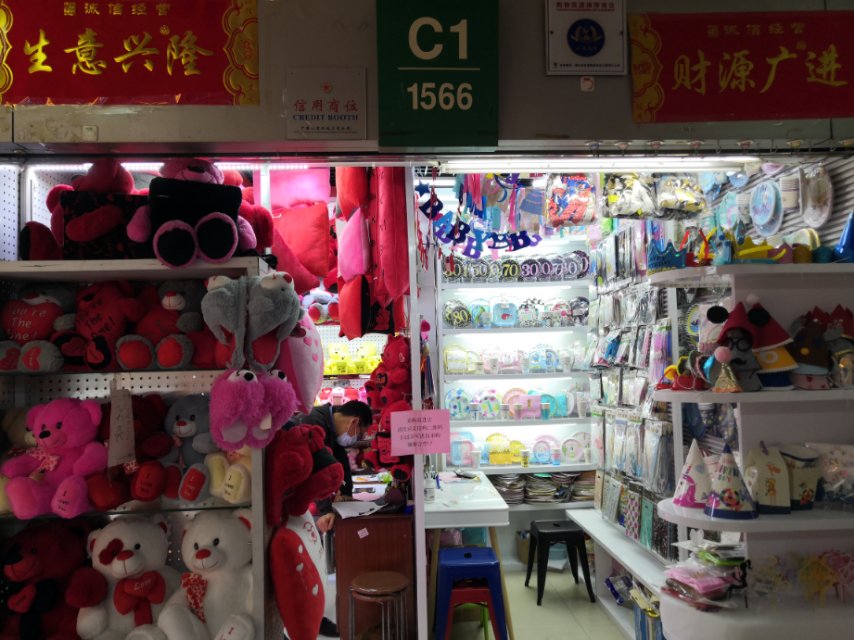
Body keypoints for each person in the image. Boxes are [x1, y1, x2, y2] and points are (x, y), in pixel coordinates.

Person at [290, 400, 373, 533]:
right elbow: (316, 471)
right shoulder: (313, 422)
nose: (357, 439)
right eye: (360, 434)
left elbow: (342, 460)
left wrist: (346, 493)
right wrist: (325, 512)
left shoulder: (332, 428)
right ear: (354, 422)